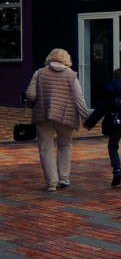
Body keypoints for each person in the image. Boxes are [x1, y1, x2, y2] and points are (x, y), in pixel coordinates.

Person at [24, 48, 90, 192]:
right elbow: (79, 98)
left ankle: (51, 182)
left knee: (45, 148)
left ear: (50, 58)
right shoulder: (71, 75)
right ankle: (64, 179)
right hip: (66, 115)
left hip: (43, 114)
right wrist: (85, 118)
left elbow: (31, 95)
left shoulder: (39, 73)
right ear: (67, 59)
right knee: (65, 145)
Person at [84, 67, 121, 189]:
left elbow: (101, 109)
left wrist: (90, 123)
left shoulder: (110, 91)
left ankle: (117, 170)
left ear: (114, 78)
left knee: (113, 146)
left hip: (115, 122)